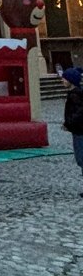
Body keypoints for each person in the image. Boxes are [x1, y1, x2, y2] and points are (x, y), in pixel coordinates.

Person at [61, 67, 83, 197]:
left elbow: (78, 113)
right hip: (78, 130)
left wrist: (68, 123)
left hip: (79, 131)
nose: (62, 80)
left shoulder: (75, 95)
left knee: (81, 159)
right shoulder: (76, 94)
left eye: (65, 78)